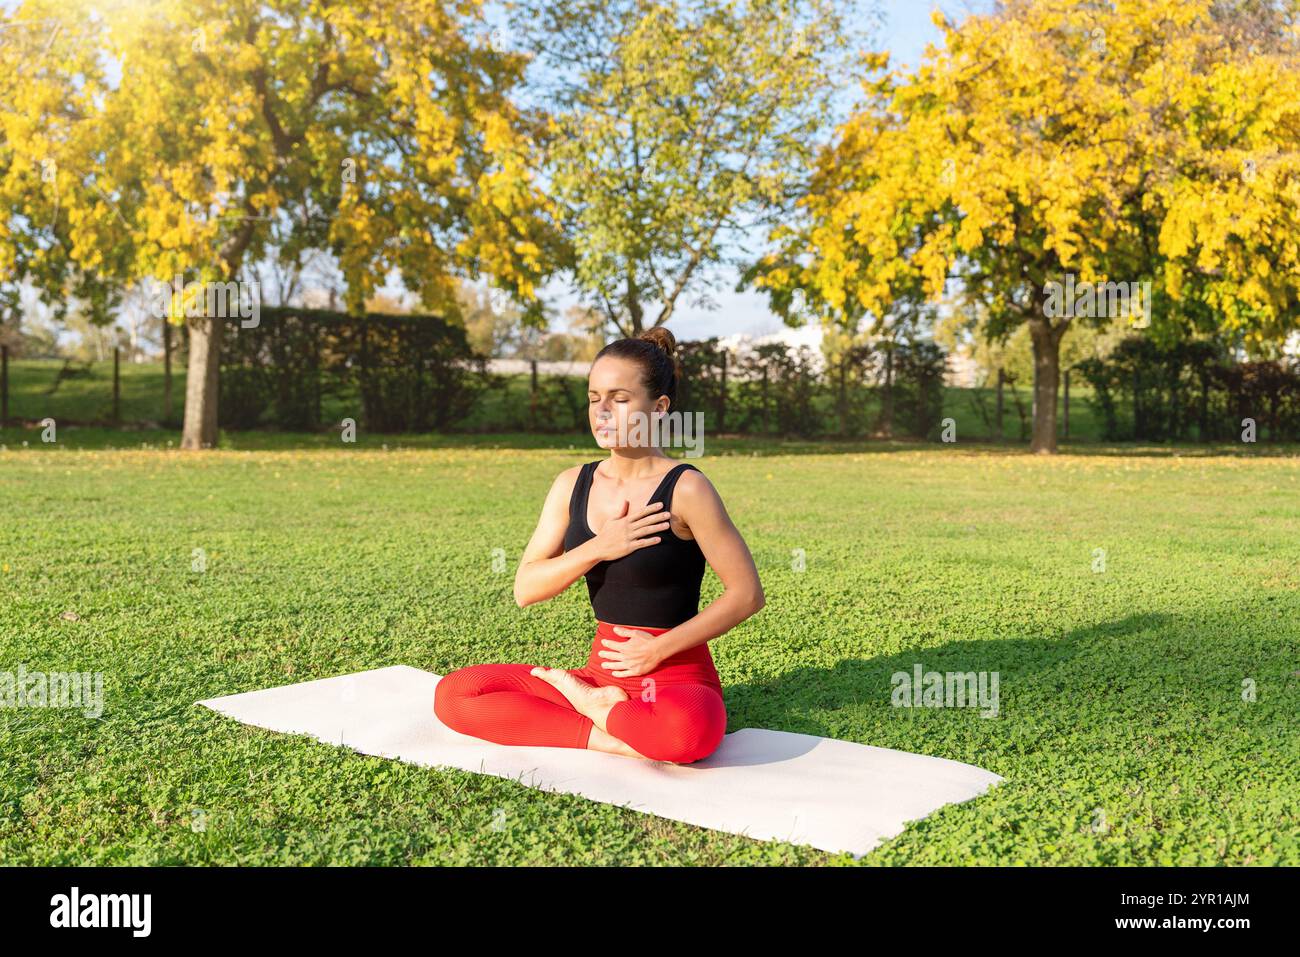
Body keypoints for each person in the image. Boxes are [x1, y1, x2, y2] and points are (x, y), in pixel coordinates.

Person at [433, 327, 765, 764]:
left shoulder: (687, 488)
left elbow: (746, 594)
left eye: (620, 398)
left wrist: (656, 649)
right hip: (598, 675)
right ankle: (606, 725)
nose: (602, 412)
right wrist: (599, 546)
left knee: (688, 737)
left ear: (659, 407)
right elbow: (526, 589)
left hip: (675, 676)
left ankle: (602, 716)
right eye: (594, 398)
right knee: (456, 693)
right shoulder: (571, 484)